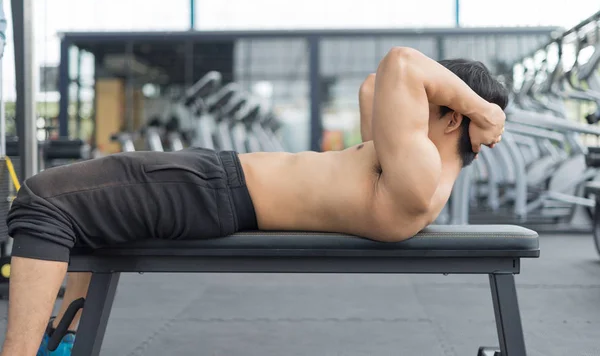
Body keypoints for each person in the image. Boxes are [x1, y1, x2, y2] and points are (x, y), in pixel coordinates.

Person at [1, 47, 507, 356]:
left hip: (213, 190)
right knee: (84, 213)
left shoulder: (418, 175)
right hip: (217, 183)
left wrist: (481, 106)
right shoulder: (412, 169)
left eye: (434, 103)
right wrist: (465, 101)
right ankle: (62, 344)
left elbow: (399, 62)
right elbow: (377, 85)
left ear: (451, 119)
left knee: (43, 199)